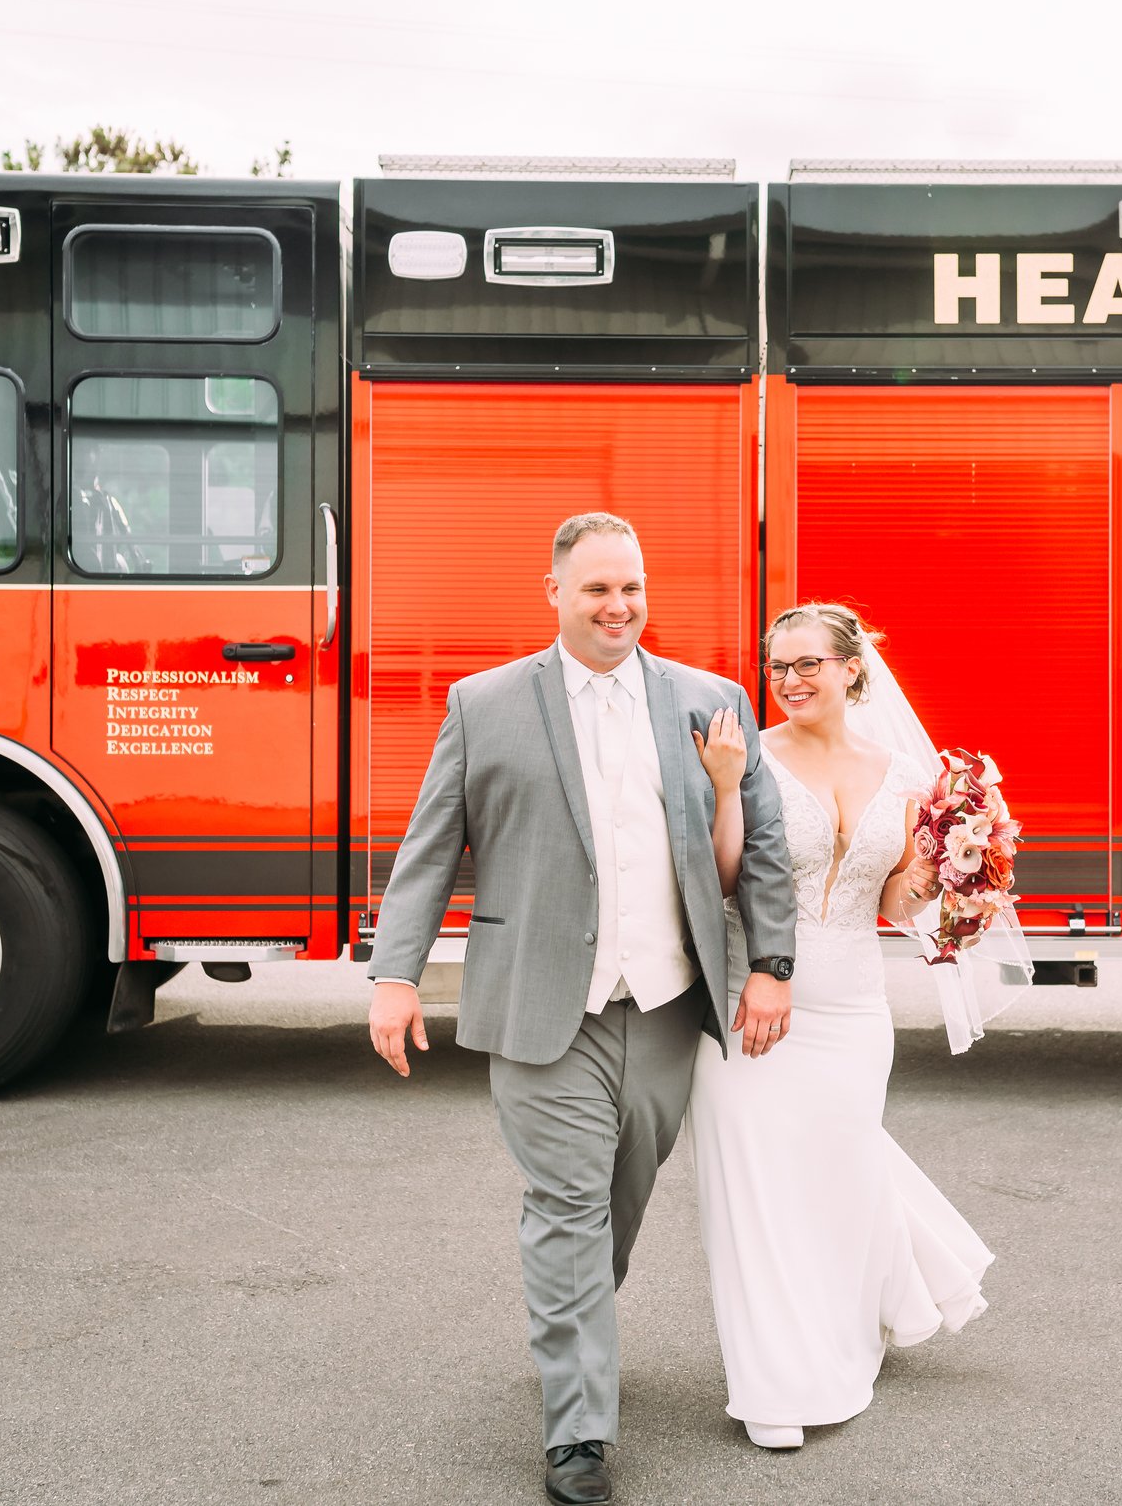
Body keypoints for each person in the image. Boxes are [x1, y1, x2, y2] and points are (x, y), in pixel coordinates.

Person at [365, 512, 799, 1506]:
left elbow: (760, 843)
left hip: (663, 1000)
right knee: (563, 1205)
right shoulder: (483, 703)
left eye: (633, 588)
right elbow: (432, 844)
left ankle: (573, 1327)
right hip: (538, 1002)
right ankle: (578, 1433)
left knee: (619, 1203)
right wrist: (396, 974)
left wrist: (769, 963)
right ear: (553, 592)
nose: (618, 606)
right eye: (598, 588)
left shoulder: (708, 699)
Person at [686, 601, 999, 1450]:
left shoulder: (906, 774)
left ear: (852, 667)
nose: (788, 681)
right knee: (754, 1194)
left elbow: (895, 903)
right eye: (776, 666)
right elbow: (716, 881)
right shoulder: (745, 757)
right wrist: (721, 786)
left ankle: (854, 1319)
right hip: (751, 1001)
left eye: (807, 664)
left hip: (855, 1009)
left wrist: (944, 868)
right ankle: (776, 1381)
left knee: (834, 1178)